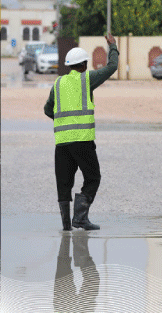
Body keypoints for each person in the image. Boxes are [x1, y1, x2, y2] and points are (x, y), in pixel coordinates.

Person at [44, 34, 118, 231]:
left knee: (63, 185)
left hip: (61, 142)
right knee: (93, 178)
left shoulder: (58, 84)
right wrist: (113, 46)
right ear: (84, 64)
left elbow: (47, 109)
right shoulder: (87, 79)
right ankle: (81, 218)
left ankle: (66, 226)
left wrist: (63, 121)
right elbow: (111, 68)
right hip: (82, 142)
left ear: (69, 65)